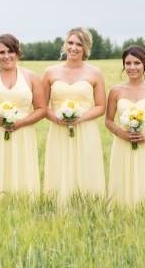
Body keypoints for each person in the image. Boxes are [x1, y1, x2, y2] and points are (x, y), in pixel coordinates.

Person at [0, 34, 46, 197]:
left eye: (10, 51)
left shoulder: (31, 77)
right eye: (1, 52)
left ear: (18, 53)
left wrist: (21, 122)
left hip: (22, 134)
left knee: (19, 168)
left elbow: (41, 109)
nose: (6, 56)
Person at [42, 27, 106, 205]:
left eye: (79, 44)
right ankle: (56, 202)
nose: (74, 47)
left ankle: (89, 203)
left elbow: (101, 106)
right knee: (59, 164)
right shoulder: (50, 72)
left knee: (86, 165)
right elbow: (41, 105)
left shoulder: (95, 73)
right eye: (70, 43)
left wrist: (81, 118)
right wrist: (56, 118)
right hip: (58, 129)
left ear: (86, 48)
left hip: (86, 129)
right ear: (65, 45)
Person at [106, 46, 145, 206]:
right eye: (128, 63)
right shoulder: (115, 91)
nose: (132, 67)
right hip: (122, 144)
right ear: (123, 65)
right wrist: (122, 133)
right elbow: (108, 121)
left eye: (137, 63)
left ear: (144, 65)